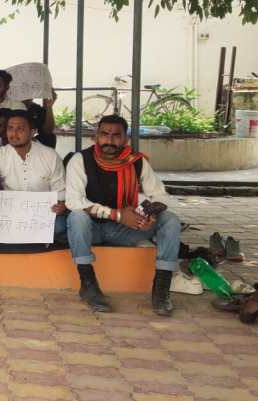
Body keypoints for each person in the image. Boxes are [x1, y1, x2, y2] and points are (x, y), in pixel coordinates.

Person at [65, 115, 181, 316]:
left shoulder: (136, 161)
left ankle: (161, 288)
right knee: (76, 217)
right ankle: (88, 285)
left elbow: (160, 195)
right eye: (104, 134)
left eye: (116, 135)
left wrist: (151, 214)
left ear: (125, 139)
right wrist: (117, 215)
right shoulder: (80, 160)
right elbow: (74, 201)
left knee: (170, 219)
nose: (109, 140)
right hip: (91, 230)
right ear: (96, 136)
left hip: (124, 229)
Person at [0, 110, 68, 239]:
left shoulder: (50, 156)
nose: (14, 133)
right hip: (11, 214)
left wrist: (61, 205)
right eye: (10, 128)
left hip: (43, 214)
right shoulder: (0, 155)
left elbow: (60, 192)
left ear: (32, 132)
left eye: (20, 129)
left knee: (60, 226)